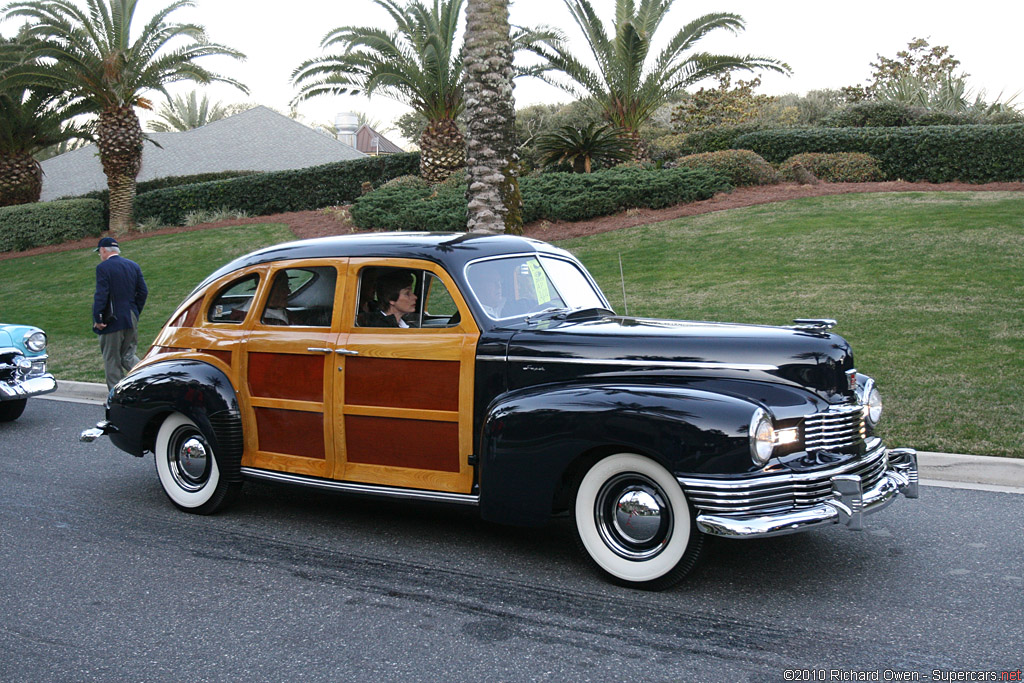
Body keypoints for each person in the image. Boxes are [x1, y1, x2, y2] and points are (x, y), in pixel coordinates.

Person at [92, 236, 148, 390]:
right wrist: (135, 312)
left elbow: (101, 295)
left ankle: (116, 395)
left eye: (100, 252)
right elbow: (143, 292)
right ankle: (147, 380)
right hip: (130, 316)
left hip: (112, 319)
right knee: (128, 356)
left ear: (103, 250)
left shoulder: (103, 268)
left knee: (112, 358)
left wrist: (98, 317)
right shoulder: (133, 265)